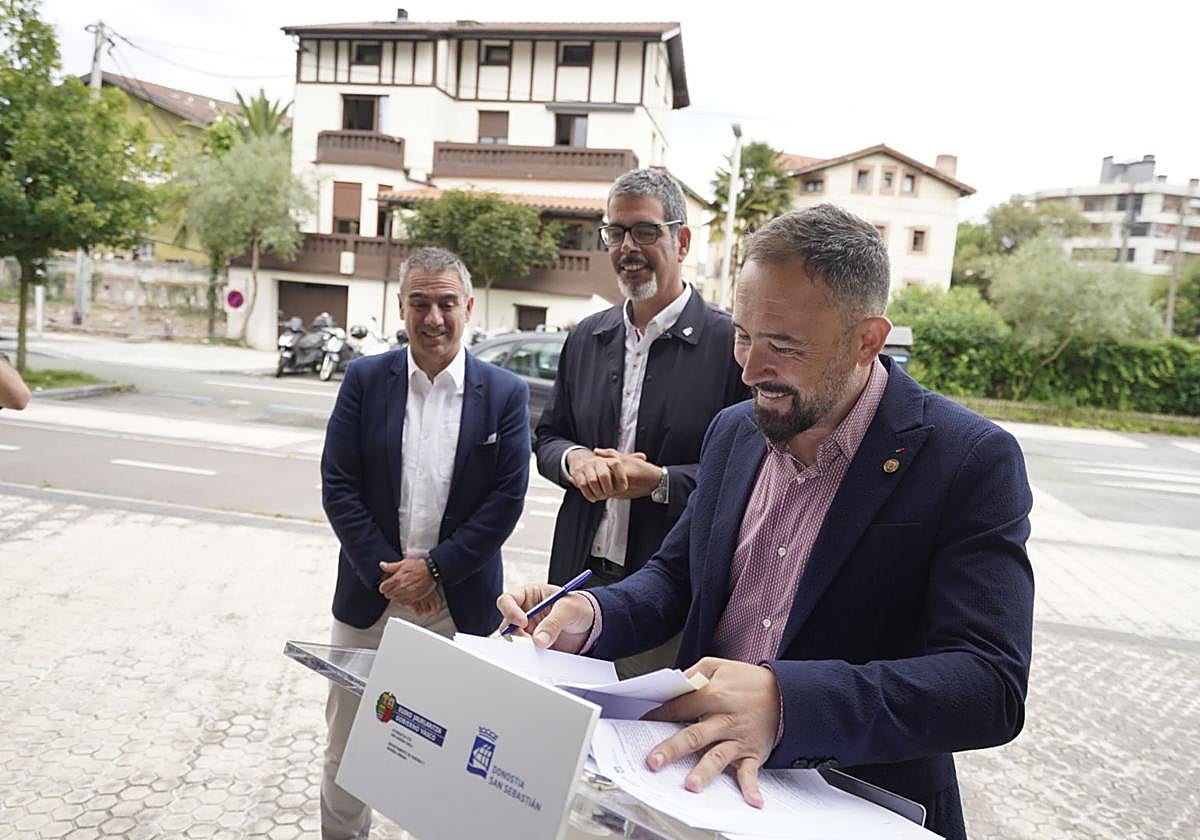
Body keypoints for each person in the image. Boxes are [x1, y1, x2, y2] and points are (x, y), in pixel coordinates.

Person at [499, 205, 1034, 840]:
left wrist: (787, 703)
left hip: (852, 809)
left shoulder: (967, 459)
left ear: (868, 339)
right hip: (692, 792)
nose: (751, 370)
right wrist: (590, 616)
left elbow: (988, 685)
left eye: (783, 345)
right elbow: (676, 579)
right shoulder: (733, 432)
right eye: (743, 336)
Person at [319, 246, 530, 839]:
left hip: (456, 606)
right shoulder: (365, 380)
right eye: (420, 303)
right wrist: (390, 574)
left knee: (446, 752)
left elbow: (505, 502)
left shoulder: (505, 393)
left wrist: (434, 571)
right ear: (401, 307)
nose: (433, 318)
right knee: (347, 748)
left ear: (468, 306)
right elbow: (338, 484)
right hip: (370, 600)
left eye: (445, 304)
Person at [535, 168, 747, 598]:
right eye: (616, 233)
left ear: (682, 242)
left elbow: (750, 474)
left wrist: (661, 482)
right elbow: (547, 437)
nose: (628, 247)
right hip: (576, 577)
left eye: (646, 231)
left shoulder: (731, 345)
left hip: (668, 597)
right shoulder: (586, 337)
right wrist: (575, 460)